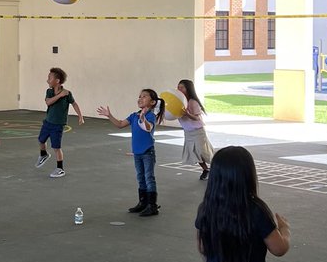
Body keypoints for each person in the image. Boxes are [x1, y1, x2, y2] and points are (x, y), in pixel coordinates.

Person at [97, 89, 165, 217]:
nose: (140, 98)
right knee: (140, 177)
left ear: (152, 102)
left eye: (144, 96)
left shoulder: (150, 116)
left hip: (147, 152)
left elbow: (148, 128)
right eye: (139, 96)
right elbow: (120, 124)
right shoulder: (134, 115)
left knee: (149, 177)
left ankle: (152, 205)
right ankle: (143, 202)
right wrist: (109, 115)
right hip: (137, 153)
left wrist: (143, 117)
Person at [35, 67, 84, 178]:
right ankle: (44, 155)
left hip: (58, 125)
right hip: (48, 122)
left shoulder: (67, 94)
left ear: (57, 81)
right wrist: (59, 95)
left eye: (49, 78)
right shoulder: (49, 91)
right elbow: (48, 102)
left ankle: (60, 168)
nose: (47, 80)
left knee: (56, 147)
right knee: (41, 140)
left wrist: (80, 116)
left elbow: (74, 104)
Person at [174, 78, 214, 180]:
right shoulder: (178, 102)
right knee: (194, 153)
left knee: (203, 152)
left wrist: (187, 114)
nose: (179, 89)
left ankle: (216, 168)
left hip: (198, 131)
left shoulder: (192, 102)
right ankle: (206, 170)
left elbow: (196, 117)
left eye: (182, 87)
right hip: (188, 132)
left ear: (188, 89)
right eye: (178, 87)